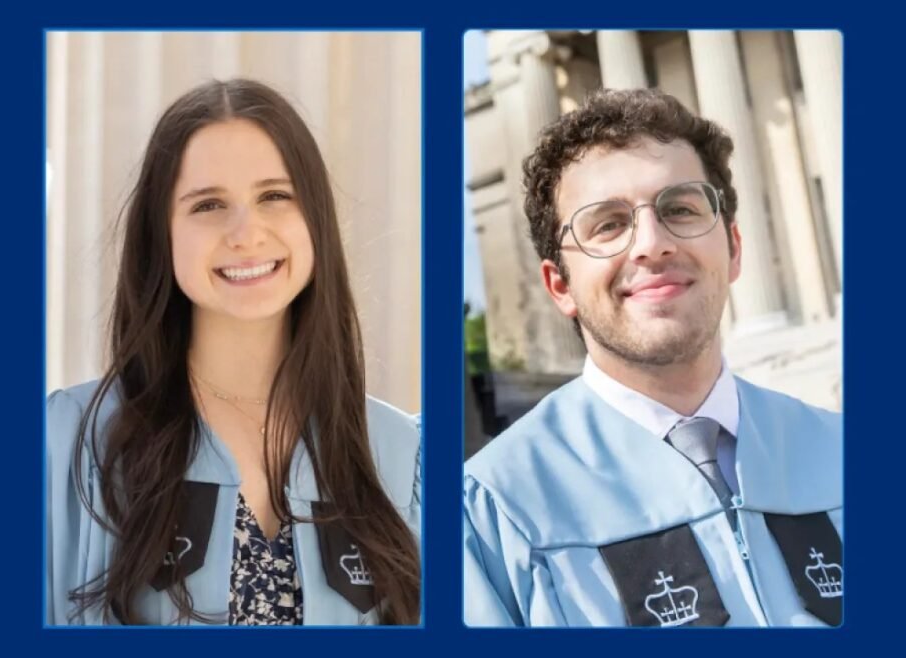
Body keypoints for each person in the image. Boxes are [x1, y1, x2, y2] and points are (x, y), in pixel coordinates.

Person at [46, 79, 421, 626]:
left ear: (313, 218)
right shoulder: (67, 442)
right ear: (162, 235)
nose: (247, 233)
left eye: (275, 196)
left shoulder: (400, 455)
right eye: (209, 204)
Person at [463, 89, 842, 627]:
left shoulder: (842, 455)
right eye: (608, 224)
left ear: (733, 249)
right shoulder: (496, 513)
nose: (651, 243)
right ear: (560, 285)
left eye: (681, 209)